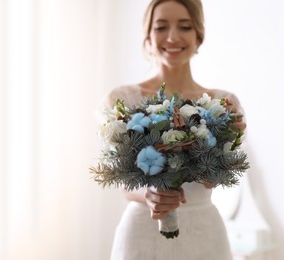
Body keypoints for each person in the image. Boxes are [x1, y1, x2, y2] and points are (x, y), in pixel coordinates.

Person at [105, 0, 246, 259]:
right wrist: (148, 194)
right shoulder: (123, 99)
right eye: (161, 27)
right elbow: (122, 181)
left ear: (198, 35)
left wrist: (225, 143)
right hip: (142, 231)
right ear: (148, 35)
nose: (172, 37)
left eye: (184, 26)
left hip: (204, 232)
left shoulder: (223, 103)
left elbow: (217, 180)